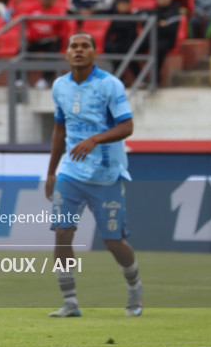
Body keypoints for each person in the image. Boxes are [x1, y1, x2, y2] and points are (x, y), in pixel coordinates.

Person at [46, 31, 142, 318]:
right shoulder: (60, 86)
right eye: (73, 45)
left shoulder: (110, 85)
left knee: (113, 241)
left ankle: (135, 289)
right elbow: (60, 130)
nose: (78, 50)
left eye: (85, 46)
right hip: (71, 173)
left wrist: (95, 139)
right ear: (66, 53)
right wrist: (51, 171)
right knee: (62, 233)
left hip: (106, 173)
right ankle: (70, 301)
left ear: (94, 53)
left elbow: (127, 127)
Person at [135, 0, 182, 80]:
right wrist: (160, 24)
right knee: (133, 47)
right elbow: (145, 25)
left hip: (167, 40)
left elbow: (170, 29)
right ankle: (140, 77)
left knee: (158, 49)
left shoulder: (174, 11)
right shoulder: (154, 10)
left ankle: (155, 79)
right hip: (153, 37)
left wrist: (156, 25)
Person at [25, 0, 67, 88]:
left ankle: (45, 80)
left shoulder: (58, 11)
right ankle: (21, 80)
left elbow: (65, 29)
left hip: (51, 41)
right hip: (35, 41)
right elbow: (25, 25)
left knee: (52, 52)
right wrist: (27, 36)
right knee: (22, 50)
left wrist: (59, 37)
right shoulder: (33, 9)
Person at [103, 0, 139, 76]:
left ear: (129, 5)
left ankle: (139, 78)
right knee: (112, 50)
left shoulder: (132, 18)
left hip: (129, 43)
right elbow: (109, 33)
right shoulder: (115, 18)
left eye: (125, 4)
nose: (123, 7)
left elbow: (133, 34)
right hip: (118, 44)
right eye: (121, 4)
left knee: (131, 55)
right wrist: (107, 43)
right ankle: (119, 77)